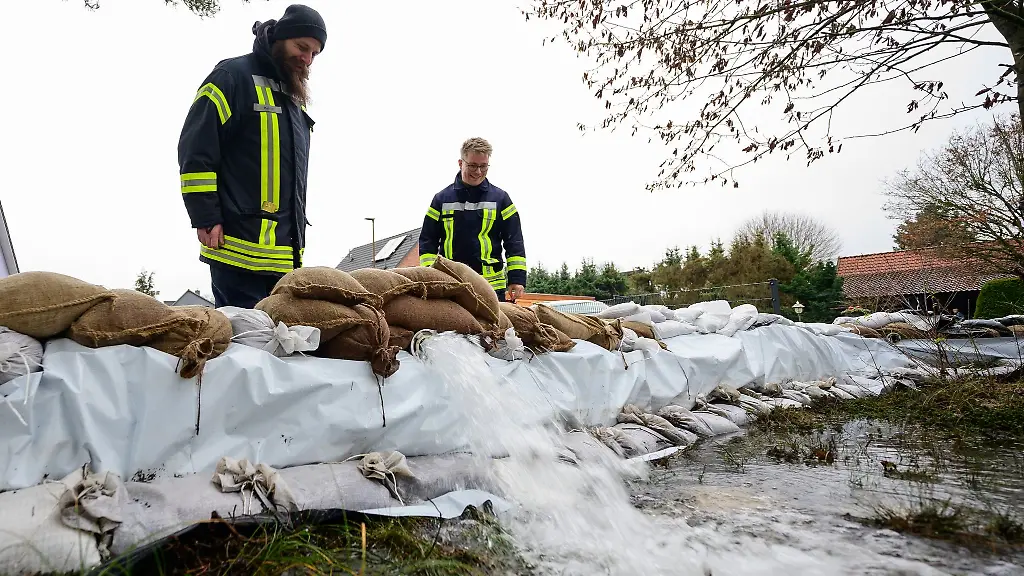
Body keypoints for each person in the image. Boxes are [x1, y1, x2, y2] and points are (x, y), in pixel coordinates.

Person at [177, 5, 327, 309]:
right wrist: (205, 216)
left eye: (314, 53)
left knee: (276, 351)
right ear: (280, 38)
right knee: (245, 348)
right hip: (235, 251)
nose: (307, 59)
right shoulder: (231, 77)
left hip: (283, 260)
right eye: (302, 47)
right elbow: (196, 150)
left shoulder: (292, 97)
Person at [418, 138, 527, 302]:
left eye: (484, 166)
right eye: (473, 166)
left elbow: (514, 241)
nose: (478, 172)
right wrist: (429, 275)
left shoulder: (501, 199)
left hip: (491, 288)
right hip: (451, 286)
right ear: (460, 163)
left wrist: (517, 279)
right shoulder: (441, 199)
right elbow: (428, 241)